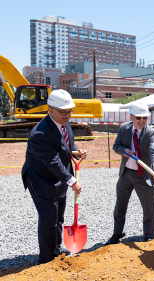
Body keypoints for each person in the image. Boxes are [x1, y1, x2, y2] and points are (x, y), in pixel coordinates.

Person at [22, 89, 87, 264]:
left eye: (70, 111)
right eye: (63, 112)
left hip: (59, 177)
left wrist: (76, 151)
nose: (68, 115)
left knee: (59, 216)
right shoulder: (40, 134)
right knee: (49, 216)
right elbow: (53, 162)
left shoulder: (64, 122)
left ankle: (56, 249)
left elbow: (67, 143)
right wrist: (72, 181)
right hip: (41, 178)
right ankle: (46, 259)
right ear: (51, 110)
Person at [105, 101, 154, 245]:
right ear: (131, 117)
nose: (142, 121)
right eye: (138, 118)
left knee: (148, 207)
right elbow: (116, 146)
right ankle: (117, 234)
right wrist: (123, 151)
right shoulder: (124, 128)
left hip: (143, 175)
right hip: (126, 173)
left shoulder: (151, 132)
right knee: (120, 205)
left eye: (144, 118)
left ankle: (148, 236)